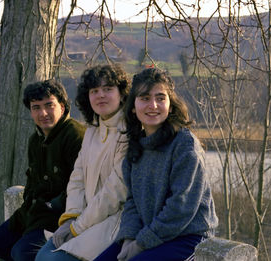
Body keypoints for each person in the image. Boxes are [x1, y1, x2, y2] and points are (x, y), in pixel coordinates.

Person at [94, 67, 219, 261]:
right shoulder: (136, 146)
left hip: (189, 238)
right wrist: (128, 238)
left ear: (170, 105)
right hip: (150, 234)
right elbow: (132, 202)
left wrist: (141, 243)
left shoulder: (185, 145)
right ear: (133, 107)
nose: (153, 105)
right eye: (144, 98)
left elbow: (181, 208)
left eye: (160, 98)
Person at [35, 64, 130, 261]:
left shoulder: (129, 134)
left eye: (108, 89)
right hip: (83, 219)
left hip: (114, 222)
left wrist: (77, 227)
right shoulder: (92, 131)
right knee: (41, 254)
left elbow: (114, 193)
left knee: (50, 259)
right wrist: (71, 216)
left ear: (122, 94)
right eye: (94, 91)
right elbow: (77, 179)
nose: (100, 95)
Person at [0, 79, 86, 261]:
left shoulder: (75, 136)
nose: (43, 113)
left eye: (49, 105)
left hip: (59, 216)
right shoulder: (36, 139)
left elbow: (80, 187)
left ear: (62, 107)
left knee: (22, 252)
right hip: (33, 212)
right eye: (36, 107)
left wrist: (50, 206)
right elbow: (33, 183)